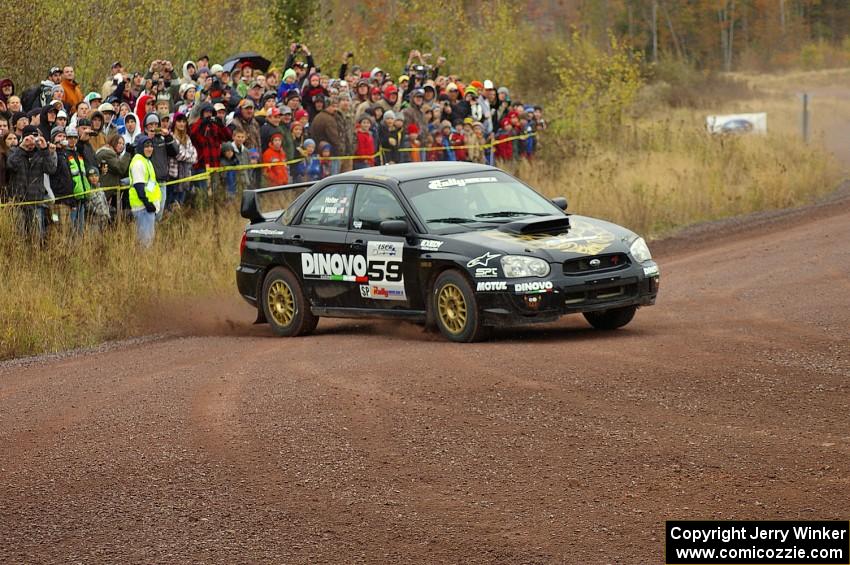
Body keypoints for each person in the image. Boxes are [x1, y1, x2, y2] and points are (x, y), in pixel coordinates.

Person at [6, 125, 58, 240]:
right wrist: (22, 147)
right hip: (18, 203)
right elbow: (11, 165)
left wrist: (45, 150)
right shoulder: (14, 151)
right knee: (18, 237)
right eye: (28, 138)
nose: (31, 142)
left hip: (36, 202)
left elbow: (51, 169)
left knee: (36, 237)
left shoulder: (41, 153)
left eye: (34, 138)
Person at [127, 136, 160, 247]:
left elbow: (149, 183)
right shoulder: (138, 163)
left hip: (148, 207)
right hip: (143, 207)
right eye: (146, 146)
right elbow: (139, 186)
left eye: (151, 146)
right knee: (145, 243)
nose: (149, 149)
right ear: (141, 147)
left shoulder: (146, 161)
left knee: (148, 240)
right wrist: (147, 203)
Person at [166, 113, 197, 209]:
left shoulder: (187, 138)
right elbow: (178, 155)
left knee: (180, 204)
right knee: (171, 204)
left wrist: (188, 156)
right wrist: (189, 156)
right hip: (173, 176)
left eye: (184, 121)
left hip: (185, 176)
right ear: (175, 122)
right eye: (179, 121)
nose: (181, 124)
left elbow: (194, 155)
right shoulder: (171, 137)